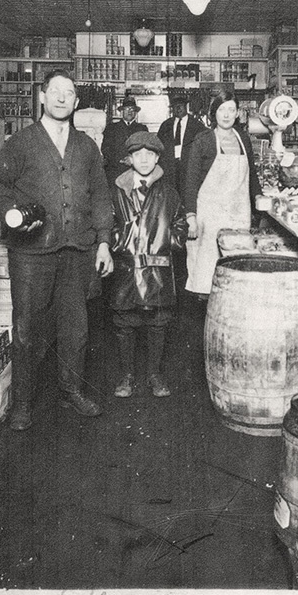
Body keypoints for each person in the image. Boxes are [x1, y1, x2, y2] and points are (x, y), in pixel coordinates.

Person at [0, 69, 114, 431]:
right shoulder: (21, 142)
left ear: (76, 102)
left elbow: (101, 195)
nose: (61, 98)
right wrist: (12, 217)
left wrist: (104, 241)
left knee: (77, 329)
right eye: (54, 91)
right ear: (41, 97)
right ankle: (22, 402)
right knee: (27, 328)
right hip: (31, 254)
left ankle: (71, 389)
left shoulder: (87, 146)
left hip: (78, 251)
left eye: (68, 93)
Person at [108, 131, 188, 399]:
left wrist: (172, 241)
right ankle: (126, 375)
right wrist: (120, 242)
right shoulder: (117, 190)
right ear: (129, 159)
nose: (144, 160)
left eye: (149, 154)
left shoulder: (169, 192)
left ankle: (154, 374)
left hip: (157, 270)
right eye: (137, 154)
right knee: (125, 323)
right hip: (127, 267)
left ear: (157, 158)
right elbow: (107, 223)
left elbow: (179, 222)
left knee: (158, 323)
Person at [183, 93, 260, 297]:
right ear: (213, 113)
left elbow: (252, 176)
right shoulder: (203, 141)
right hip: (210, 217)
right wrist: (191, 216)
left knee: (237, 276)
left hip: (238, 214)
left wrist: (260, 201)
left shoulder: (243, 139)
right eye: (221, 110)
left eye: (231, 110)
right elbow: (190, 182)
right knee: (207, 277)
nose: (226, 115)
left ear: (237, 114)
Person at [157, 92, 207, 198]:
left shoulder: (197, 126)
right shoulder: (166, 125)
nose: (178, 108)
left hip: (189, 169)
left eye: (181, 106)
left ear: (186, 107)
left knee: (188, 197)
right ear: (172, 109)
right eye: (175, 106)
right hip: (169, 170)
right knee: (170, 198)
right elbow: (158, 147)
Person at [100, 95, 144, 183]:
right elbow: (105, 148)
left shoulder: (142, 129)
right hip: (115, 172)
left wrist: (132, 160)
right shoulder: (111, 128)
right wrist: (121, 160)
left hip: (136, 171)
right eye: (127, 109)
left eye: (132, 109)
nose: (129, 111)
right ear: (122, 112)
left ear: (135, 112)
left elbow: (144, 148)